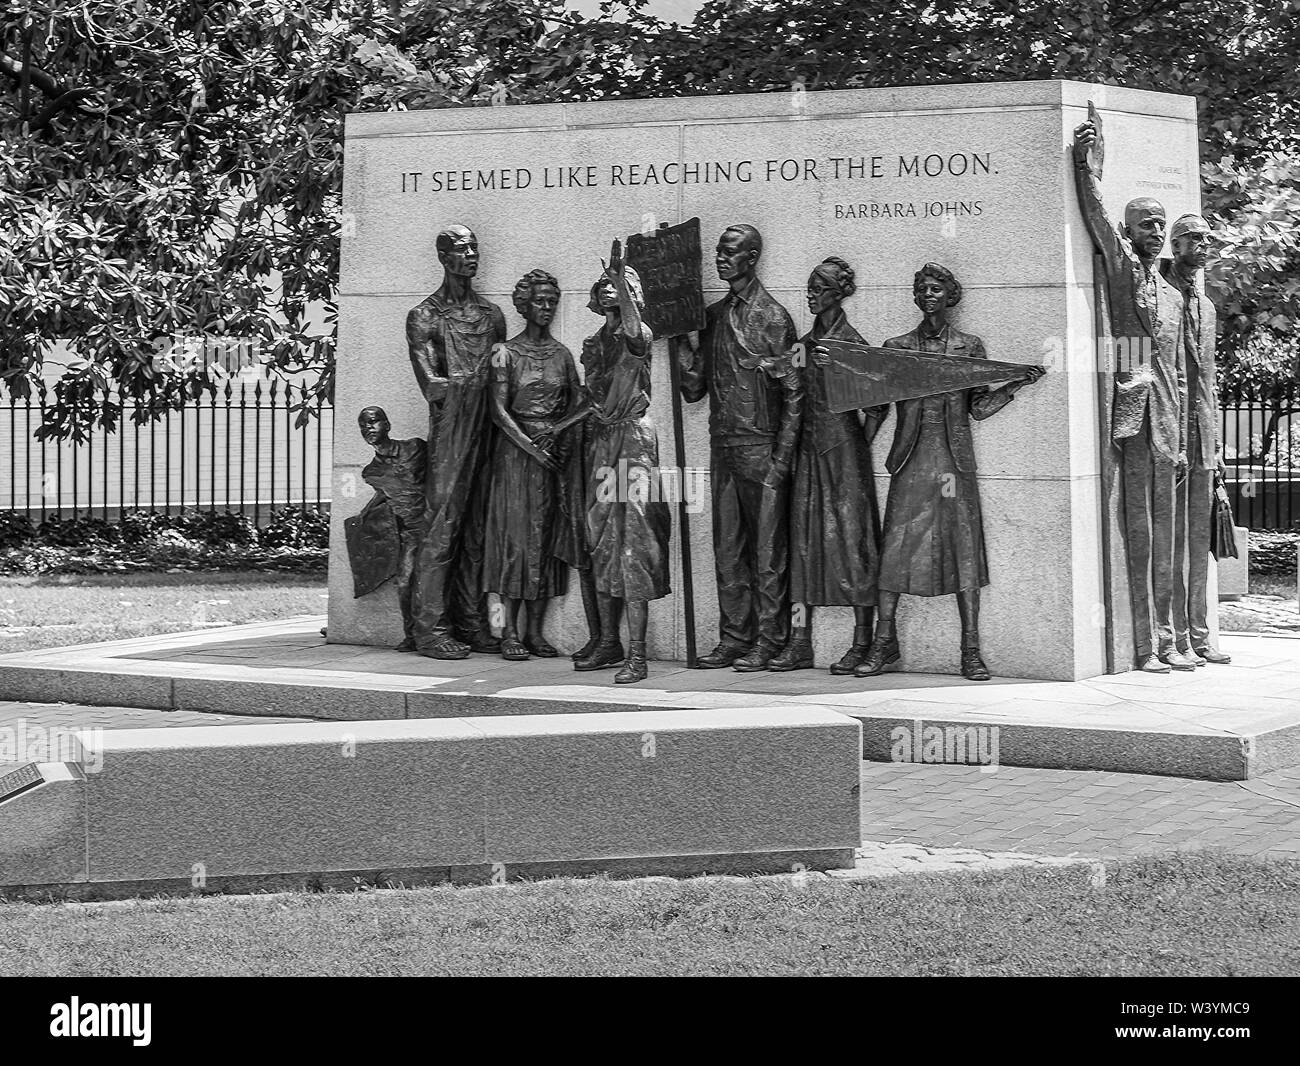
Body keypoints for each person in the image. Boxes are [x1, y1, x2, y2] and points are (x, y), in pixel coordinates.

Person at [857, 263, 1043, 681]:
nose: (928, 294)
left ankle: (970, 650)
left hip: (954, 462)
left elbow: (978, 408)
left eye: (936, 288)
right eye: (922, 288)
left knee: (964, 552)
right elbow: (877, 401)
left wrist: (1013, 386)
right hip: (911, 459)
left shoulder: (969, 346)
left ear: (950, 295)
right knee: (895, 549)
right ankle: (883, 642)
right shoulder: (898, 346)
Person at [1073, 110, 1190, 672]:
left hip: (1167, 424)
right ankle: (1144, 643)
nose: (1155, 231)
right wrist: (1088, 166)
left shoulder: (1171, 295)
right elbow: (1095, 216)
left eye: (1160, 224)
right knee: (1138, 530)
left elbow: (1181, 374)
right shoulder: (1122, 271)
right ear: (1129, 230)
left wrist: (1186, 434)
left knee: (1164, 529)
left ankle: (1170, 637)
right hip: (1132, 415)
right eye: (1145, 223)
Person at [678, 224, 803, 672]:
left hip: (763, 448)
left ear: (751, 257)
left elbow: (794, 391)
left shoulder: (772, 316)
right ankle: (735, 636)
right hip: (723, 445)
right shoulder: (710, 317)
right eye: (717, 251)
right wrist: (681, 338)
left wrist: (782, 460)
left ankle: (771, 639)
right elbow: (693, 391)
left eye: (729, 252)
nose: (720, 258)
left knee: (768, 553)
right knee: (727, 548)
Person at [772, 256, 886, 674]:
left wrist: (857, 445)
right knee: (803, 544)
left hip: (844, 455)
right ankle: (800, 640)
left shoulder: (851, 342)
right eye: (809, 289)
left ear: (839, 293)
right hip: (807, 452)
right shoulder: (802, 345)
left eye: (819, 289)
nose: (811, 295)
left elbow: (877, 405)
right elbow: (793, 393)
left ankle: (863, 640)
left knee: (854, 545)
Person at [406, 224, 506, 660]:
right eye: (462, 249)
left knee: (479, 528)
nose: (471, 255)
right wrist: (479, 381)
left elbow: (505, 380)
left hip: (490, 427)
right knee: (441, 527)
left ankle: (470, 620)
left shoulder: (492, 315)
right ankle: (429, 629)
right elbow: (433, 385)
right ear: (444, 257)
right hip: (451, 432)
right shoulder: (424, 316)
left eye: (474, 247)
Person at [574, 243, 672, 684]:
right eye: (608, 286)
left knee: (634, 544)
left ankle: (639, 654)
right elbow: (590, 399)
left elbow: (634, 332)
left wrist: (621, 279)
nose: (614, 290)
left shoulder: (640, 334)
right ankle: (608, 642)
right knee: (602, 541)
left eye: (624, 287)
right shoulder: (594, 343)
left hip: (633, 440)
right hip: (602, 441)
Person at [483, 270, 584, 660]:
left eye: (551, 302)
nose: (546, 308)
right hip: (516, 454)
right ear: (524, 305)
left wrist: (560, 435)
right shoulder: (504, 352)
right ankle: (508, 631)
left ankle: (535, 632)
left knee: (545, 539)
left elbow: (579, 402)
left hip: (553, 453)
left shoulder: (562, 354)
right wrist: (531, 448)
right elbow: (498, 411)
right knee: (515, 539)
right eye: (539, 301)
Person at [1163, 214, 1231, 665]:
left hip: (1203, 438)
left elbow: (1208, 383)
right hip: (1172, 437)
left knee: (1197, 545)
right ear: (1177, 243)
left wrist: (1218, 448)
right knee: (1171, 545)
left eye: (1209, 239)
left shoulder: (1205, 305)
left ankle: (1201, 634)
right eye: (1196, 238)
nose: (1205, 245)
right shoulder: (1162, 297)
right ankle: (1176, 636)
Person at [348, 406, 428, 651]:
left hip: (433, 524)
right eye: (363, 425)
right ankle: (411, 634)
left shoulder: (414, 448)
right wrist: (363, 517)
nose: (368, 428)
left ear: (388, 425)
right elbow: (386, 495)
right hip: (407, 532)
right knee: (405, 582)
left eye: (373, 422)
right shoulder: (371, 471)